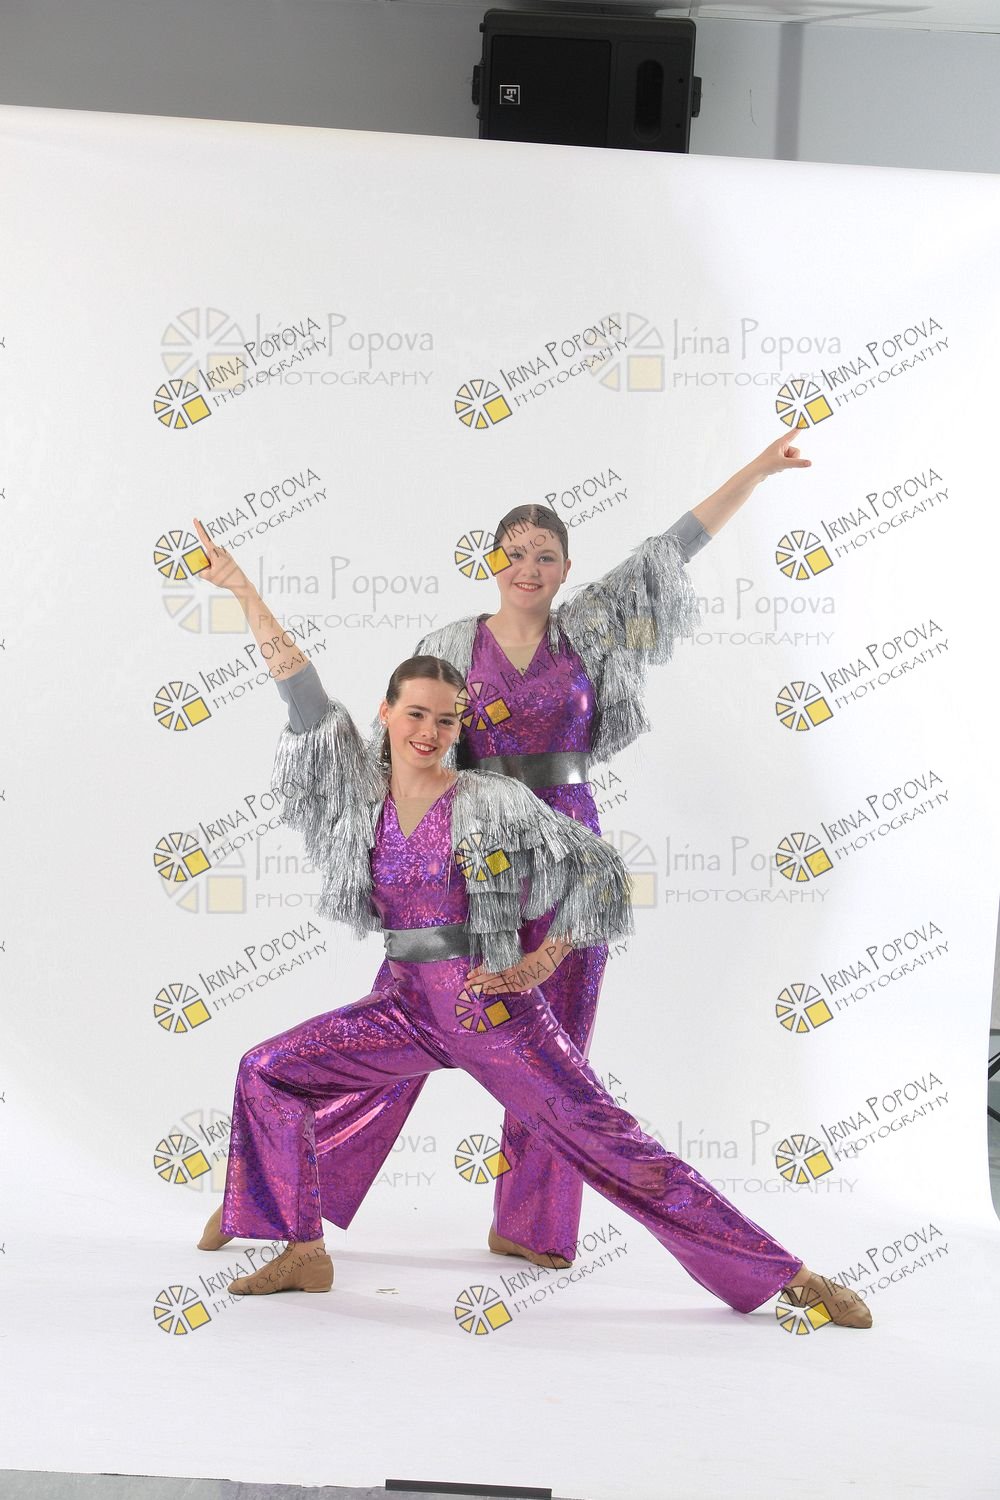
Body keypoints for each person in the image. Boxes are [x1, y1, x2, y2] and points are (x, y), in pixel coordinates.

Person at [191, 535, 872, 1328]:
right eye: (415, 714)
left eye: (447, 720)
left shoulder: (491, 799)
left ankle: (790, 1275)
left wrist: (539, 962)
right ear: (386, 713)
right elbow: (299, 689)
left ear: (460, 728)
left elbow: (599, 876)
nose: (429, 731)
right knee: (267, 1071)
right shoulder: (359, 791)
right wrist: (243, 592)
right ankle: (302, 1249)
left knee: (613, 1145)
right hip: (405, 1007)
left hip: (490, 1013)